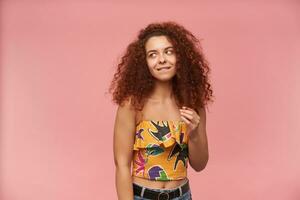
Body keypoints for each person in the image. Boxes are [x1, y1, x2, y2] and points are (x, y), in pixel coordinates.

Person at [109, 21, 214, 200]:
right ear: (144, 63)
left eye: (169, 51)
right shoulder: (132, 105)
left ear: (180, 57)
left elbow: (199, 164)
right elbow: (122, 165)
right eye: (153, 54)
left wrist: (195, 133)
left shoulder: (193, 103)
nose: (162, 60)